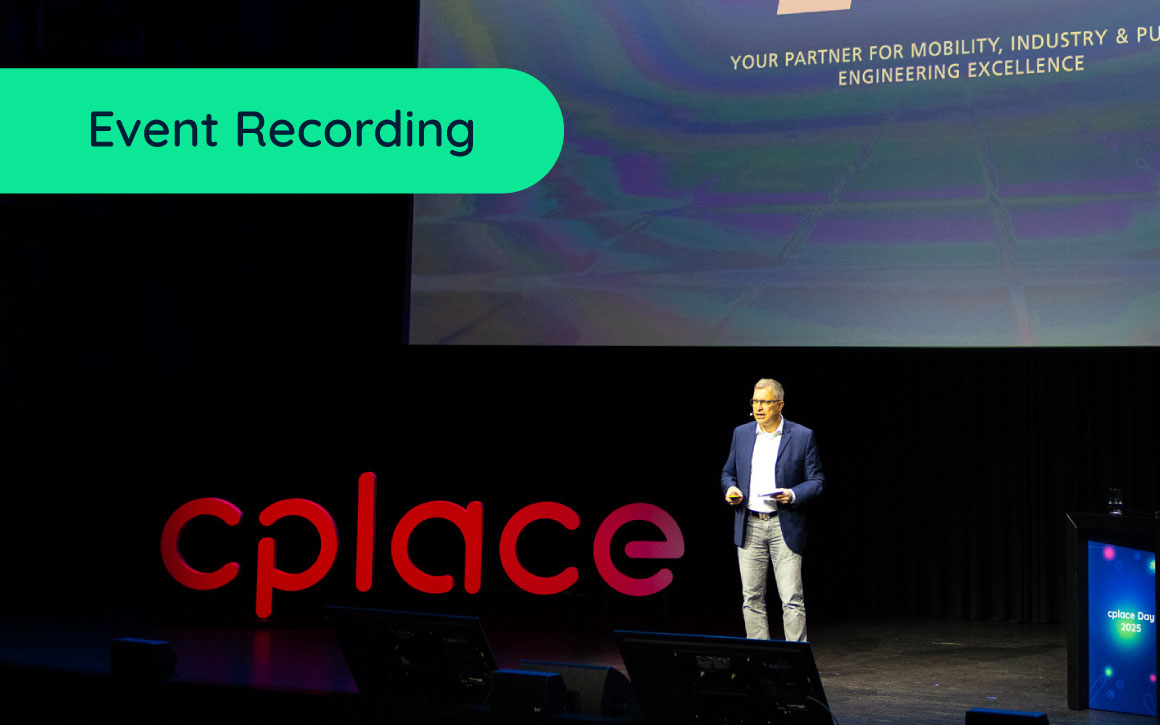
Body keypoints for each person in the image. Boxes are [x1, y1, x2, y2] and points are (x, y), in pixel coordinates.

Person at [721, 378, 825, 641]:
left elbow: (816, 481)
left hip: (784, 524)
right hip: (749, 524)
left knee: (791, 598)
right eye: (755, 401)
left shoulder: (802, 436)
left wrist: (792, 494)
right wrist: (731, 489)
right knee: (751, 598)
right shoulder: (741, 433)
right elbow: (728, 473)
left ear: (779, 405)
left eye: (765, 402)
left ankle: (795, 656)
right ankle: (760, 657)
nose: (758, 407)